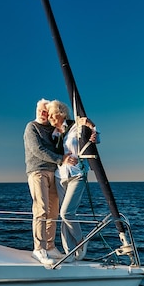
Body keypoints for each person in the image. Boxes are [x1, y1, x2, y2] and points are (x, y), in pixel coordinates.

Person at [23, 99, 75, 265]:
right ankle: (39, 249)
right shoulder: (31, 127)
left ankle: (50, 246)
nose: (43, 114)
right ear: (36, 111)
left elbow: (71, 127)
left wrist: (92, 132)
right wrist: (61, 159)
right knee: (41, 209)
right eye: (40, 110)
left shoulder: (53, 130)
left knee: (53, 211)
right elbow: (37, 150)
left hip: (54, 172)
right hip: (37, 172)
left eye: (46, 111)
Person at [46, 100, 98, 261]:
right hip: (59, 176)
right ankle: (68, 253)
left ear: (61, 113)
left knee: (66, 213)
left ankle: (81, 242)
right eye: (48, 116)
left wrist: (93, 130)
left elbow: (93, 132)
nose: (50, 118)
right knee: (64, 216)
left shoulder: (76, 126)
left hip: (77, 174)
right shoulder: (53, 133)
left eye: (52, 115)